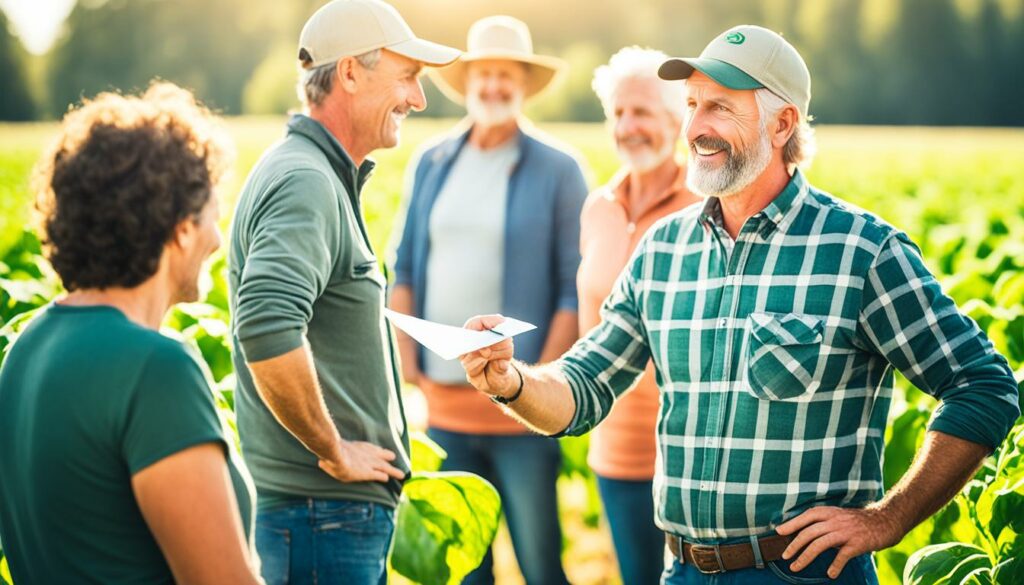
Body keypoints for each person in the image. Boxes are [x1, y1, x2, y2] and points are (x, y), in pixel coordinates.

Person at [458, 25, 1021, 585]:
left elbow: (983, 385)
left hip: (802, 574)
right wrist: (510, 381)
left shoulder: (860, 250)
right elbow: (583, 388)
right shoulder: (663, 248)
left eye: (721, 108)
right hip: (681, 570)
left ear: (783, 124)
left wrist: (887, 520)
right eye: (693, 104)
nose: (696, 127)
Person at [226, 1, 458, 583]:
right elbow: (265, 324)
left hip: (322, 516)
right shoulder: (306, 179)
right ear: (350, 73)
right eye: (407, 77)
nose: (417, 99)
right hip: (318, 514)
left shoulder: (313, 172)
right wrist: (333, 448)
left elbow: (321, 317)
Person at [0, 82, 261, 584]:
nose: (217, 238)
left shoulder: (24, 349)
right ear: (180, 227)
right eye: (212, 213)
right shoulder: (156, 369)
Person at [389, 15, 586, 585]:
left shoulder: (559, 169)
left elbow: (571, 286)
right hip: (444, 412)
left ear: (523, 84)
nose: (494, 86)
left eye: (507, 75)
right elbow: (402, 267)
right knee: (468, 573)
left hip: (520, 415)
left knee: (540, 563)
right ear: (468, 82)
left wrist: (540, 385)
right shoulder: (432, 161)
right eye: (485, 74)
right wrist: (411, 371)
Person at [583, 46, 700, 585]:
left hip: (691, 454)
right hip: (615, 445)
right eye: (619, 113)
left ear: (677, 121)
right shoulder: (598, 207)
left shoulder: (704, 207)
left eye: (644, 112)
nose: (629, 126)